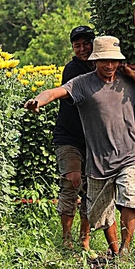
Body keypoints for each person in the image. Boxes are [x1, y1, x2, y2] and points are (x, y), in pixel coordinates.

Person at [25, 36, 135, 257]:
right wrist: (38, 101)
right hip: (99, 159)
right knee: (103, 213)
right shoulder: (82, 83)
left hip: (128, 154)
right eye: (104, 61)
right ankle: (115, 250)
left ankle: (126, 249)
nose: (109, 66)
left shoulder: (126, 81)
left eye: (114, 61)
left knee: (129, 198)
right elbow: (54, 92)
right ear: (95, 60)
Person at [52, 25, 95, 249]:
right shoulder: (73, 69)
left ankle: (85, 239)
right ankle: (66, 238)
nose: (82, 49)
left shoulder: (102, 66)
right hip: (69, 136)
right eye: (77, 45)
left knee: (90, 189)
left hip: (93, 139)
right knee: (72, 181)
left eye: (86, 44)